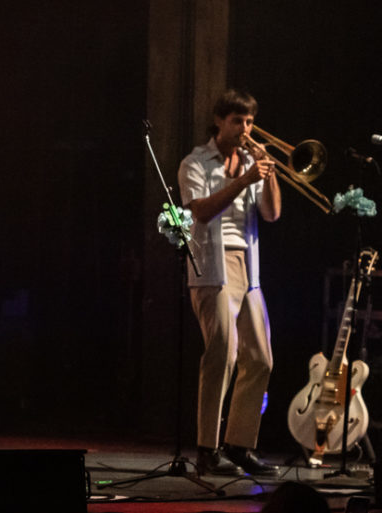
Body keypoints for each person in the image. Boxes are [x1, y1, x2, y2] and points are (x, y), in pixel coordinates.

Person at [177, 89, 281, 476]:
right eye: (238, 121)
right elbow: (201, 212)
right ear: (219, 121)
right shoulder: (195, 162)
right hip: (212, 267)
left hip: (248, 268)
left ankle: (240, 444)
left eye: (250, 122)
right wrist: (244, 180)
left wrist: (269, 174)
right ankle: (207, 449)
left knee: (261, 359)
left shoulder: (252, 161)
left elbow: (271, 214)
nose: (245, 129)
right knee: (222, 354)